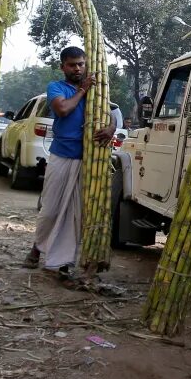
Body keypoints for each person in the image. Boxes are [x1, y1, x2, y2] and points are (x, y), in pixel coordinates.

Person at [24, 46, 115, 273]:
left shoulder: (96, 90)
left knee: (75, 213)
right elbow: (63, 109)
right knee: (51, 209)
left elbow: (112, 114)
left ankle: (63, 262)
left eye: (81, 64)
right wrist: (82, 90)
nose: (77, 68)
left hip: (89, 159)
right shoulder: (57, 87)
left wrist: (111, 128)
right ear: (62, 66)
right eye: (72, 64)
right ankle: (37, 247)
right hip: (62, 154)